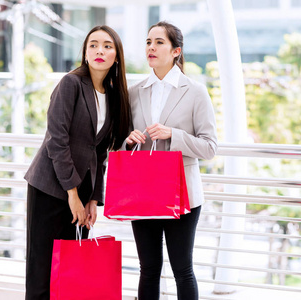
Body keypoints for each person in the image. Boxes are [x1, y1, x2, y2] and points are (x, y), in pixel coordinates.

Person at [24, 25, 131, 300]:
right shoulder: (71, 84)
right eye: (93, 44)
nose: (99, 50)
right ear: (85, 52)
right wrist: (72, 193)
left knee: (69, 269)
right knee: (43, 268)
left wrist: (94, 199)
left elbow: (100, 152)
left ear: (116, 56)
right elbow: (56, 141)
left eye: (107, 46)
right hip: (50, 187)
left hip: (82, 192)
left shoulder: (113, 96)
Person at [125, 21, 217, 300]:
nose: (151, 47)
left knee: (182, 269)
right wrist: (128, 140)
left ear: (176, 51)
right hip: (142, 191)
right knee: (148, 269)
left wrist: (172, 135)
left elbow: (210, 147)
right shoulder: (135, 91)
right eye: (148, 42)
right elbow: (119, 142)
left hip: (183, 194)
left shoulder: (195, 91)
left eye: (159, 42)